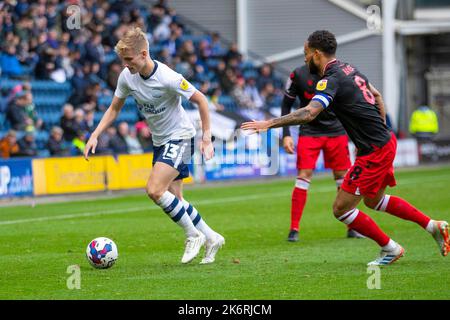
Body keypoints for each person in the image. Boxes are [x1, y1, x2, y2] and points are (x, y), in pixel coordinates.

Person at [242, 30, 449, 266]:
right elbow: (378, 96)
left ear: (316, 54)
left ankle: (390, 248)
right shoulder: (350, 68)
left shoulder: (330, 79)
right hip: (383, 142)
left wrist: (269, 123)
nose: (304, 59)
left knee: (341, 208)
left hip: (374, 150)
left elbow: (310, 113)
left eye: (306, 53)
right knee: (373, 201)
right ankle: (434, 226)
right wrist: (378, 130)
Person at [84, 27, 224, 264]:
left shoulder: (168, 77)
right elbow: (115, 107)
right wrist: (95, 134)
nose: (126, 65)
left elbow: (201, 99)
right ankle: (212, 237)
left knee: (154, 190)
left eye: (129, 59)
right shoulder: (127, 77)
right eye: (123, 60)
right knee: (175, 199)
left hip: (180, 137)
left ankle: (193, 235)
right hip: (160, 141)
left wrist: (206, 137)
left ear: (144, 54)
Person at [282, 64, 364, 241]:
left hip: (337, 131)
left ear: (317, 53)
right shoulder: (297, 74)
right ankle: (294, 229)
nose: (306, 56)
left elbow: (353, 104)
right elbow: (286, 103)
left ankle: (352, 227)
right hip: (309, 132)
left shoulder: (339, 73)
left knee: (343, 177)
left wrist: (358, 137)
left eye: (308, 52)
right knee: (304, 175)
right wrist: (286, 134)